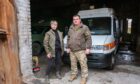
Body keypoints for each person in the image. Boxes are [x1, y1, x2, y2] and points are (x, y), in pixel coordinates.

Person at [67, 15, 92, 84]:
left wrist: (88, 48)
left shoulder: (84, 27)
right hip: (72, 50)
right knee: (73, 64)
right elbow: (68, 38)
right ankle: (74, 75)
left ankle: (84, 78)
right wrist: (68, 47)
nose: (75, 20)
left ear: (80, 20)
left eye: (77, 19)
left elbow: (88, 38)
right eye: (74, 19)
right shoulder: (71, 27)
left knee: (83, 64)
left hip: (81, 50)